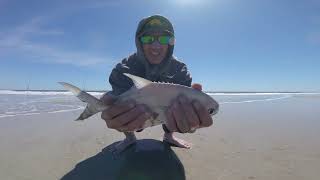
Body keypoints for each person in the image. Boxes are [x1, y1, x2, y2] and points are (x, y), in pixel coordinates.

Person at [100, 15, 213, 153]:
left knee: (175, 107)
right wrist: (114, 113)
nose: (156, 46)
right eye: (148, 39)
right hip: (137, 111)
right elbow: (118, 100)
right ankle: (129, 137)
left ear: (170, 43)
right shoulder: (124, 68)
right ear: (139, 42)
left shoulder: (179, 69)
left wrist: (190, 122)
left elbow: (182, 106)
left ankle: (169, 135)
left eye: (164, 39)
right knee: (124, 112)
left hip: (164, 111)